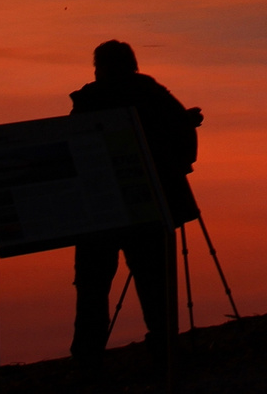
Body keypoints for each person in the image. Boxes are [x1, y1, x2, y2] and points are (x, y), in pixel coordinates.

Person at [67, 40, 203, 377]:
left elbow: (72, 152)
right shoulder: (154, 96)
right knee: (154, 281)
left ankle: (87, 358)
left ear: (99, 68)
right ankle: (164, 348)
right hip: (148, 205)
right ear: (134, 65)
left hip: (98, 211)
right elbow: (185, 150)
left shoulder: (87, 103)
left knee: (92, 285)